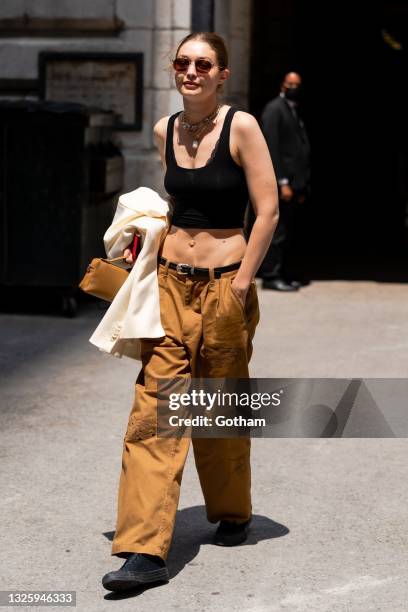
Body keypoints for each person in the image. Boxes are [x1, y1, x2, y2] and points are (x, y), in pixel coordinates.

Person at [102, 31, 279, 592]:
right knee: (157, 409)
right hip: (171, 287)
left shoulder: (242, 126)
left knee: (219, 404)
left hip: (226, 286)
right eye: (183, 62)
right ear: (173, 69)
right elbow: (178, 204)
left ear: (222, 73)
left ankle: (231, 509)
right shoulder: (165, 130)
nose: (192, 71)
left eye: (204, 63)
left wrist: (242, 283)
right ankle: (143, 552)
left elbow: (268, 209)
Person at [257, 71, 311, 291]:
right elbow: (272, 148)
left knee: (287, 231)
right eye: (290, 84)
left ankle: (283, 271)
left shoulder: (292, 109)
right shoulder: (274, 110)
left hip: (295, 184)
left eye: (297, 84)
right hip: (282, 184)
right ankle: (270, 275)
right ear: (282, 84)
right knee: (276, 231)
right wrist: (282, 182)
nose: (294, 87)